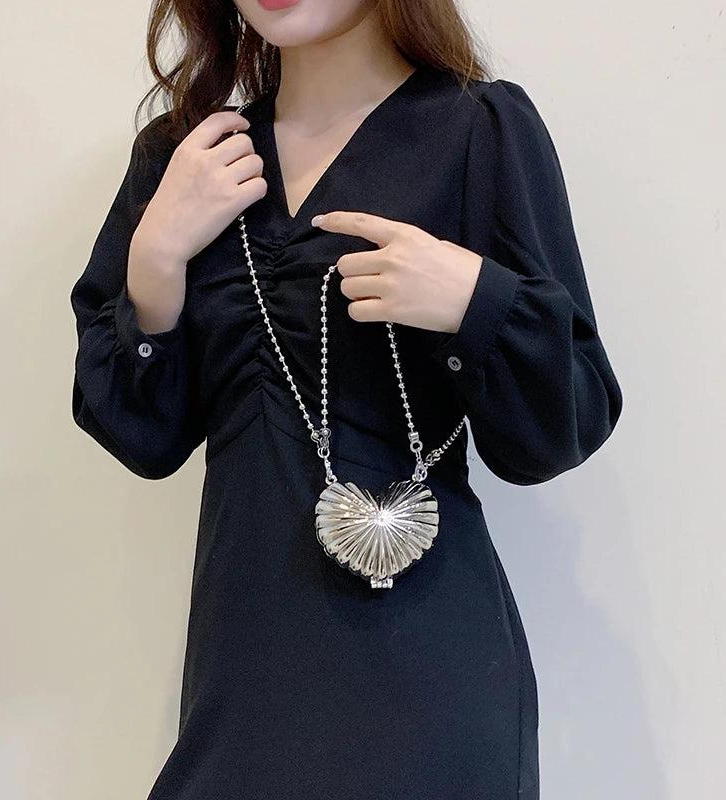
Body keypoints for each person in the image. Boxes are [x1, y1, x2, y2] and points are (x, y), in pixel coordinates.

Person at [69, 1, 623, 797]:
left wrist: (475, 300)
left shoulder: (479, 132)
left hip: (431, 676)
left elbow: (564, 423)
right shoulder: (186, 159)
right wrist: (155, 261)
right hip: (243, 679)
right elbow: (140, 437)